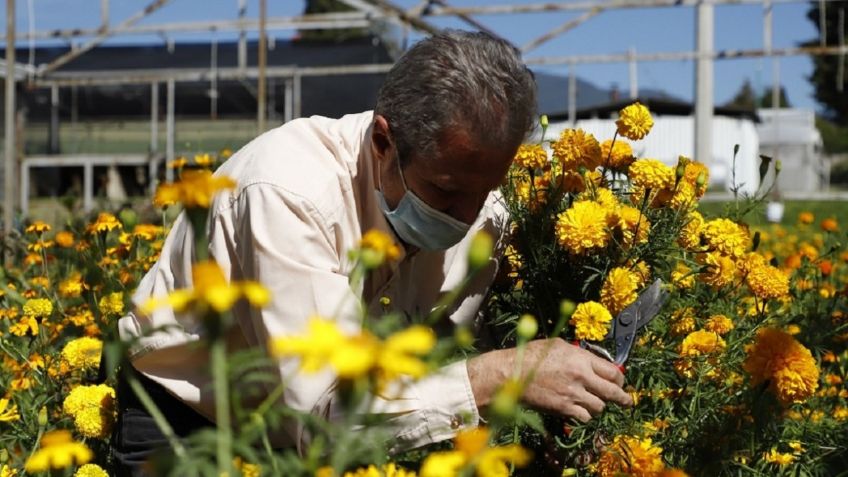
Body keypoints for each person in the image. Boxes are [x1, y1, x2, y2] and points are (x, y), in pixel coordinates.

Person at [114, 29, 632, 473]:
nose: (469, 214)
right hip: (190, 423)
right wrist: (501, 375)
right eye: (447, 192)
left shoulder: (484, 206)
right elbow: (322, 416)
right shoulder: (289, 194)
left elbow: (448, 356)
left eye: (485, 190)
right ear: (383, 143)